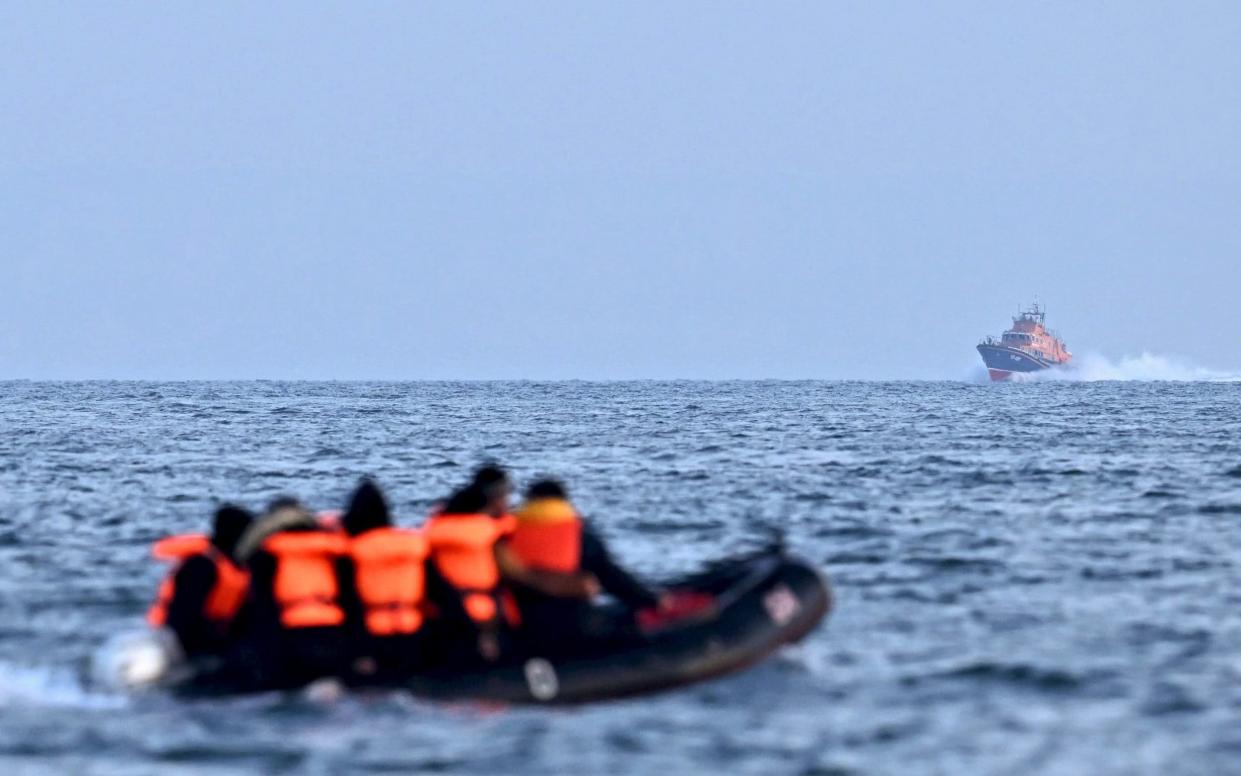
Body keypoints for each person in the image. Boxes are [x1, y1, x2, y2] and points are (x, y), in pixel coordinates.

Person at [423, 465, 591, 663]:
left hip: (439, 623)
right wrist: (576, 587)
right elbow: (518, 575)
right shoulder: (491, 534)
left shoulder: (435, 528)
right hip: (487, 624)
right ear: (496, 498)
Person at [508, 479, 664, 652]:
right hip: (577, 626)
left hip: (525, 630)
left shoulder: (509, 537)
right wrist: (653, 601)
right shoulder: (578, 533)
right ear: (564, 502)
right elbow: (612, 578)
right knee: (627, 622)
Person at [239, 496, 352, 688]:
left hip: (289, 637)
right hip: (333, 634)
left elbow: (260, 608)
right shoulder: (331, 550)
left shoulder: (267, 554)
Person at [337, 478, 429, 678]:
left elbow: (349, 605)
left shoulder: (353, 551)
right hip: (414, 635)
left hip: (372, 640)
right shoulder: (413, 546)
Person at [148, 505, 254, 659]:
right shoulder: (201, 566)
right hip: (176, 639)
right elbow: (183, 617)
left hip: (215, 638)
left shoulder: (239, 568)